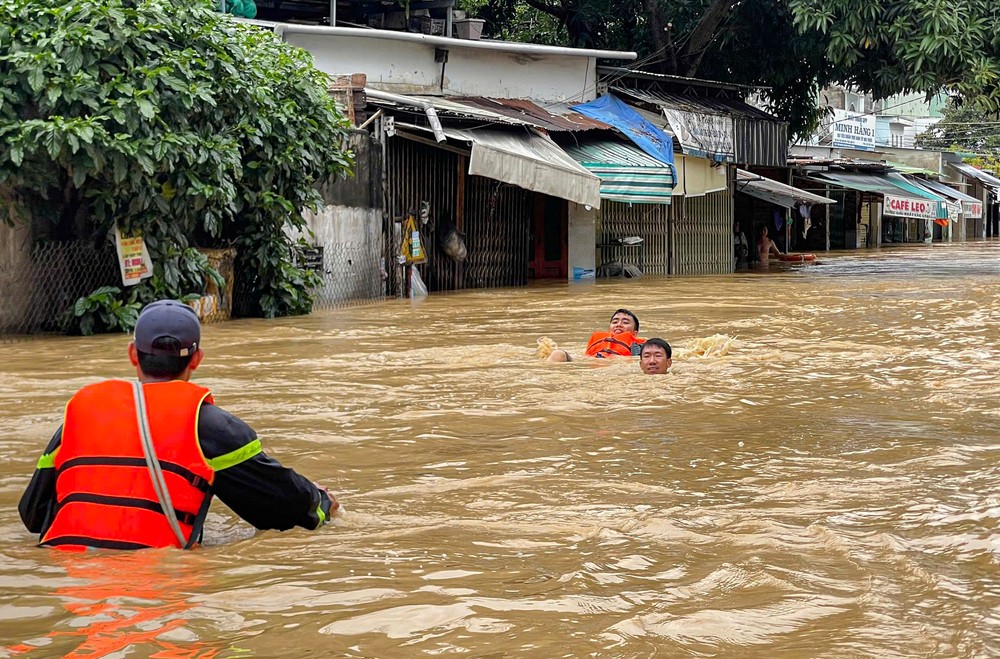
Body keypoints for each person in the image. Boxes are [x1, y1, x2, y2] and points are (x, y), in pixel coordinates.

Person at [18, 299, 338, 551]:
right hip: (159, 584)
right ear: (196, 359)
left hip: (70, 583)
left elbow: (33, 514)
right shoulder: (211, 426)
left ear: (133, 355)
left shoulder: (79, 414)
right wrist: (321, 502)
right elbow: (287, 510)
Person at [546, 309, 646, 362]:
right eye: (615, 322)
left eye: (625, 322)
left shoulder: (640, 347)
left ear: (635, 333)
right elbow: (582, 357)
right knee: (558, 353)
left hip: (616, 365)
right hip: (589, 363)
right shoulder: (599, 341)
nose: (618, 324)